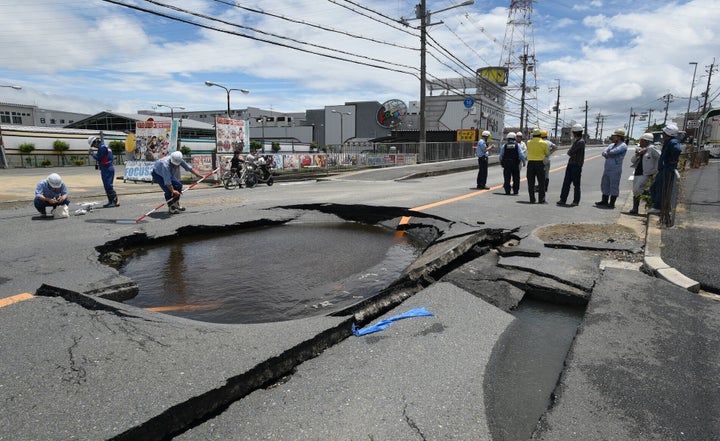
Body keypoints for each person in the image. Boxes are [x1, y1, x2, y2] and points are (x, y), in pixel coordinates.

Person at [649, 123, 683, 214]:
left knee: (660, 188)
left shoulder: (673, 142)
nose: (662, 134)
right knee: (654, 187)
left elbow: (677, 150)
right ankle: (656, 205)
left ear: (667, 134)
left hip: (667, 169)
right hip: (663, 169)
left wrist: (672, 160)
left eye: (663, 133)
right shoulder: (669, 141)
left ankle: (658, 207)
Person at [627, 132, 660, 215]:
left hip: (646, 173)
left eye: (641, 141)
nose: (640, 142)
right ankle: (635, 209)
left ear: (646, 141)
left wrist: (655, 170)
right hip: (638, 172)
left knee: (637, 189)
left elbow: (660, 156)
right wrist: (639, 154)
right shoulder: (640, 149)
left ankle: (651, 195)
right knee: (635, 191)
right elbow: (632, 160)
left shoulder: (652, 148)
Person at [595, 128, 628, 209]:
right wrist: (608, 153)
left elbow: (612, 152)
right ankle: (604, 201)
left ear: (619, 137)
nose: (613, 137)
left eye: (614, 136)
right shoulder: (611, 145)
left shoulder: (623, 145)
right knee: (605, 184)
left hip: (615, 169)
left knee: (614, 185)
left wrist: (608, 153)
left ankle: (612, 203)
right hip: (607, 168)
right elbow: (604, 153)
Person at [557, 124, 586, 206]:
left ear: (575, 133)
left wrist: (571, 153)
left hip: (576, 165)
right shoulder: (576, 141)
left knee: (576, 184)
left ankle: (576, 201)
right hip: (571, 164)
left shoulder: (580, 142)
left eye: (573, 132)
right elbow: (570, 152)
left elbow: (570, 152)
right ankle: (563, 199)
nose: (572, 134)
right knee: (566, 183)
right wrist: (571, 153)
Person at [88, 136, 119, 208]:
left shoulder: (101, 147)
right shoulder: (106, 146)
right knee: (107, 185)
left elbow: (99, 158)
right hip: (108, 167)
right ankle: (111, 201)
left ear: (95, 142)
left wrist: (92, 153)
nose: (94, 147)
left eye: (93, 145)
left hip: (106, 168)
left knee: (108, 185)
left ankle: (114, 201)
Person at [525, 128, 548, 203]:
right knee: (541, 182)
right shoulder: (544, 143)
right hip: (540, 163)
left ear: (533, 135)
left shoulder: (528, 142)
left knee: (531, 182)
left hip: (531, 163)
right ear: (540, 135)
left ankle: (532, 199)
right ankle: (541, 199)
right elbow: (546, 153)